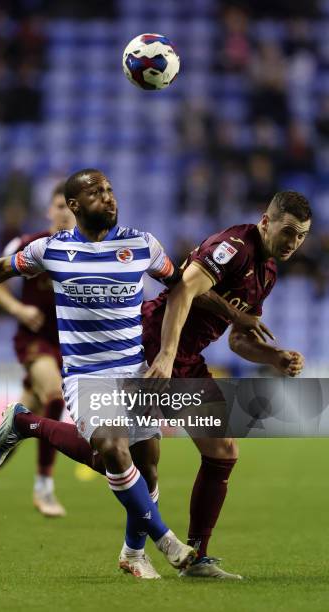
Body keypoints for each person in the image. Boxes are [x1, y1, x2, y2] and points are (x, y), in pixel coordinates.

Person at [0, 168, 215, 580]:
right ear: (74, 205)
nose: (108, 197)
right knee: (114, 448)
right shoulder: (49, 250)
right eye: (96, 192)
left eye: (110, 190)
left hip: (135, 372)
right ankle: (166, 541)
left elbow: (181, 288)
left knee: (147, 467)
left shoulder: (143, 244)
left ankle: (132, 553)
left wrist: (181, 346)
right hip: (86, 374)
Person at [144, 190, 311, 578]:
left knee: (222, 451)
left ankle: (196, 557)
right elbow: (184, 289)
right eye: (288, 232)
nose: (294, 243)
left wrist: (275, 357)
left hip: (186, 358)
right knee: (117, 457)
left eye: (301, 236)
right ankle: (29, 424)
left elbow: (238, 337)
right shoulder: (233, 247)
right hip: (156, 341)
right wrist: (166, 354)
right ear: (266, 222)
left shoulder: (267, 271)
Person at [0, 181, 75, 520]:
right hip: (34, 340)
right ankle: (44, 485)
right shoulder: (29, 245)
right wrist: (18, 309)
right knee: (55, 395)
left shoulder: (86, 250)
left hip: (68, 344)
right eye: (59, 206)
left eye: (71, 206)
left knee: (20, 426)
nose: (65, 212)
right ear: (49, 210)